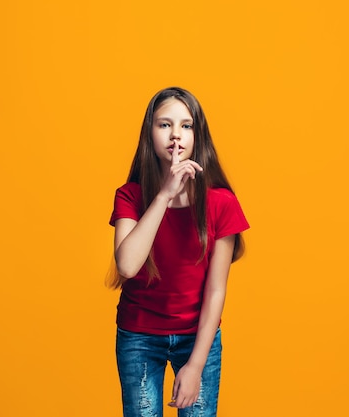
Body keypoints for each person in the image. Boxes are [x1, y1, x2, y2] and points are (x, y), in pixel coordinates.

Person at [108, 87, 249, 417]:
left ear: (198, 136)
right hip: (139, 335)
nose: (176, 135)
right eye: (164, 125)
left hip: (197, 338)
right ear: (150, 133)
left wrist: (196, 365)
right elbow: (127, 265)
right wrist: (164, 197)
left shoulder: (221, 203)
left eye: (186, 126)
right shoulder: (130, 196)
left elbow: (216, 290)